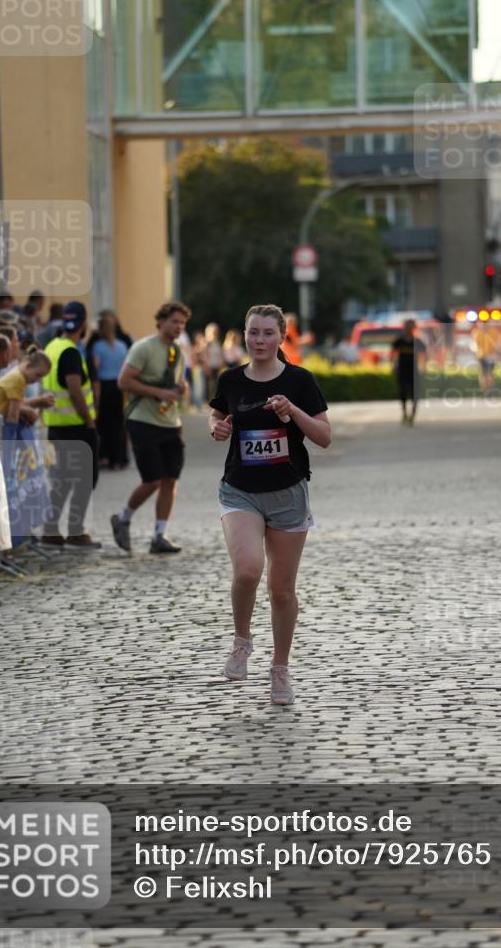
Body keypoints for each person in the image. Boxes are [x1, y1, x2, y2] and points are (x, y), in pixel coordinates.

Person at [208, 303, 331, 706]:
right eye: (253, 333)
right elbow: (217, 418)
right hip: (240, 489)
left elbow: (325, 436)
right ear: (244, 335)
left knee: (281, 590)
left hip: (288, 493)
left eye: (267, 333)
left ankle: (280, 668)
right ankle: (242, 640)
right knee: (247, 570)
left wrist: (292, 411)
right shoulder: (230, 380)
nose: (259, 340)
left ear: (281, 337)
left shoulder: (299, 381)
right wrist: (218, 427)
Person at [111, 301, 191, 554]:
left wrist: (182, 389)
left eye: (182, 323)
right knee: (152, 479)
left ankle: (159, 535)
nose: (179, 327)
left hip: (170, 422)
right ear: (161, 322)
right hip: (143, 420)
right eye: (175, 321)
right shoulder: (143, 348)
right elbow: (123, 381)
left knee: (170, 479)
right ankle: (123, 518)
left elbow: (176, 383)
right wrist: (158, 392)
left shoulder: (177, 352)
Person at [40, 301, 102, 548]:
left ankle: (51, 529)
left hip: (56, 425)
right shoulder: (71, 352)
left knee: (62, 479)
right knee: (86, 478)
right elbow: (75, 390)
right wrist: (89, 421)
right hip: (76, 427)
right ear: (83, 323)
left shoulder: (52, 347)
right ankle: (75, 532)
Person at [92, 313, 129, 469]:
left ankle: (105, 456)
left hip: (104, 386)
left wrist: (96, 398)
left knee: (103, 423)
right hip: (119, 386)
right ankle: (119, 458)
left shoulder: (98, 347)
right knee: (118, 423)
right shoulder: (122, 346)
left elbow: (96, 369)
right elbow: (125, 367)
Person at [0, 346, 52, 422]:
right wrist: (12, 432)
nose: (39, 380)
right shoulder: (18, 379)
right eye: (38, 375)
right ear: (28, 366)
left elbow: (16, 404)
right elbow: (13, 416)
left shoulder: (17, 374)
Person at [391, 319, 427, 425]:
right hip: (402, 370)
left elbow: (424, 354)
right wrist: (393, 365)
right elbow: (393, 353)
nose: (409, 329)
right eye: (407, 326)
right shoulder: (399, 341)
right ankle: (404, 413)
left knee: (414, 393)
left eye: (411, 327)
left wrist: (423, 368)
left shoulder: (417, 341)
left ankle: (413, 413)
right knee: (403, 392)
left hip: (413, 370)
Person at [472, 320, 501, 392]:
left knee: (489, 373)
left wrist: (498, 351)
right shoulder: (478, 332)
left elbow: (498, 343)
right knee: (484, 373)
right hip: (482, 355)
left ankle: (490, 389)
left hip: (490, 355)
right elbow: (475, 344)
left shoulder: (493, 332)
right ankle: (485, 389)